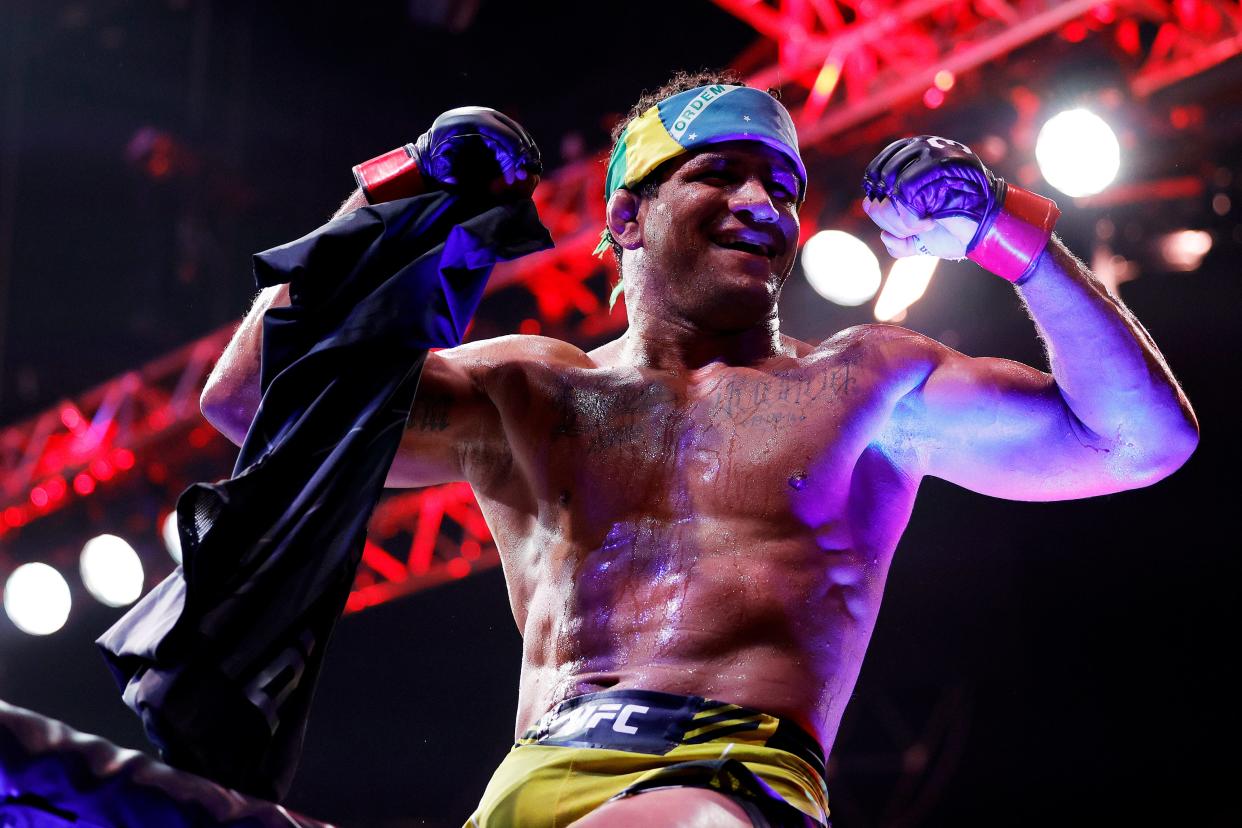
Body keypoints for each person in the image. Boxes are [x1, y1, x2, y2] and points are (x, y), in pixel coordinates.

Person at [200, 70, 1198, 827]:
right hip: (535, 786)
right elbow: (253, 400)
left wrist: (1004, 231)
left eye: (783, 187)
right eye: (720, 173)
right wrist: (391, 195)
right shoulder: (526, 388)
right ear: (626, 216)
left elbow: (1139, 442)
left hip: (730, 785)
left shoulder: (864, 384)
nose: (763, 202)